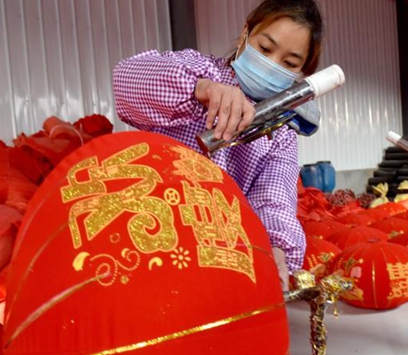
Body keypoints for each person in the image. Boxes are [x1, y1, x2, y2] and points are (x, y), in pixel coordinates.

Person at [113, 0, 324, 290]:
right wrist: (201, 89)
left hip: (214, 257)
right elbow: (125, 80)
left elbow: (273, 198)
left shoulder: (281, 130)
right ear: (245, 34)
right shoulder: (200, 71)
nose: (271, 64)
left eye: (289, 63)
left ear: (301, 73)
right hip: (150, 235)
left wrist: (275, 248)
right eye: (265, 48)